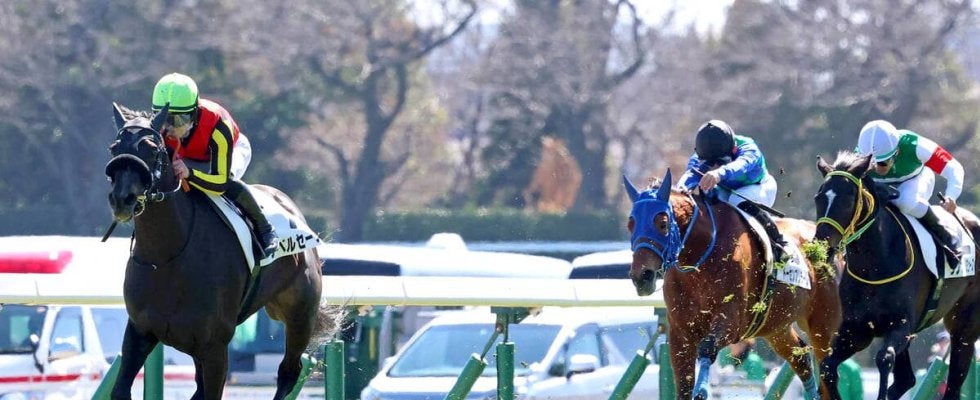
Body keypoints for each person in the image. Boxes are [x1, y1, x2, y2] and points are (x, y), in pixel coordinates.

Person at [151, 73, 278, 257]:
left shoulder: (218, 125)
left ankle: (265, 229)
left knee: (230, 180)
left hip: (230, 150)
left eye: (178, 120)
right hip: (189, 156)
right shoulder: (158, 127)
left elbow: (220, 183)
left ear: (195, 113)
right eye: (163, 118)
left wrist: (190, 174)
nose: (169, 128)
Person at [677, 120, 789, 262]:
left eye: (720, 161)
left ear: (734, 149)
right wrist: (680, 189)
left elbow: (741, 165)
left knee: (735, 200)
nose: (715, 166)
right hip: (728, 191)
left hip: (760, 187)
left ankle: (779, 243)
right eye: (709, 163)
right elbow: (689, 176)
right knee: (710, 201)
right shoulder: (699, 157)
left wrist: (719, 173)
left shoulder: (749, 148)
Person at [856, 120, 964, 265]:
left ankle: (946, 236)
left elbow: (954, 168)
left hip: (915, 178)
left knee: (905, 201)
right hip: (879, 186)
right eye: (871, 163)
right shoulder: (858, 155)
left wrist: (951, 196)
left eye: (882, 163)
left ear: (897, 152)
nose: (877, 169)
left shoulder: (915, 145)